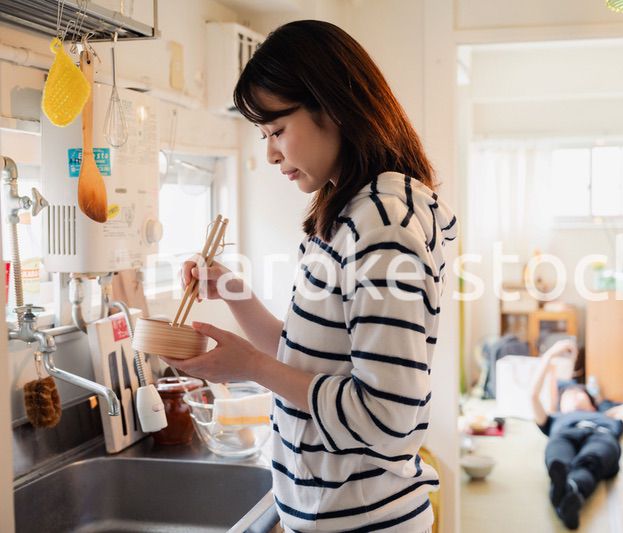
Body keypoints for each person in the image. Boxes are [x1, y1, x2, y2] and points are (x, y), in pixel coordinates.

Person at [163, 20, 457, 533]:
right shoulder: (347, 215)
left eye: (277, 131)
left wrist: (250, 366)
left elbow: (388, 420)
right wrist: (234, 293)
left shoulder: (381, 225)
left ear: (333, 105)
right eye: (263, 136)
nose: (270, 153)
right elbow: (307, 356)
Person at [531, 340, 623, 530]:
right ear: (559, 405)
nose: (573, 396)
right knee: (558, 461)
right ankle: (570, 494)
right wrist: (550, 355)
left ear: (591, 403)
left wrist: (601, 409)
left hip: (600, 435)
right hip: (564, 435)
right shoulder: (554, 419)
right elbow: (533, 395)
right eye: (567, 396)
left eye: (579, 394)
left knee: (591, 461)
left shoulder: (605, 420)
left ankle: (567, 492)